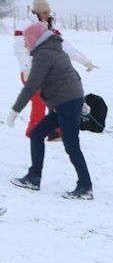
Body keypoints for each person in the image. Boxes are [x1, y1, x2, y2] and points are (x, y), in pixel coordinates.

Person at [6, 22, 93, 199]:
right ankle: (33, 178)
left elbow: (31, 86)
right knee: (38, 134)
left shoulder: (43, 55)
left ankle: (85, 187)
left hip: (66, 103)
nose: (26, 44)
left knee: (71, 145)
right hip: (66, 102)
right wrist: (80, 101)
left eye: (27, 40)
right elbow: (74, 75)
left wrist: (15, 111)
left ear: (34, 39)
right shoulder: (55, 49)